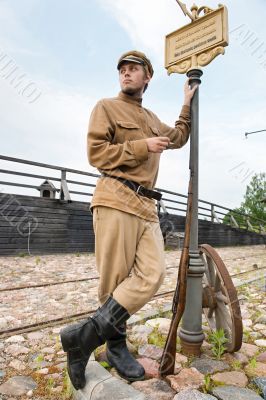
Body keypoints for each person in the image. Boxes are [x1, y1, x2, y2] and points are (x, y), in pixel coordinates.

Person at [60, 50, 197, 390]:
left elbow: (178, 137)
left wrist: (187, 101)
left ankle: (83, 338)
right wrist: (141, 147)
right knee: (114, 281)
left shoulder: (151, 117)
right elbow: (96, 154)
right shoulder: (105, 107)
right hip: (115, 198)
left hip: (146, 207)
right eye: (122, 69)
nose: (126, 73)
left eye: (134, 69)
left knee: (152, 274)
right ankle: (116, 347)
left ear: (147, 76)